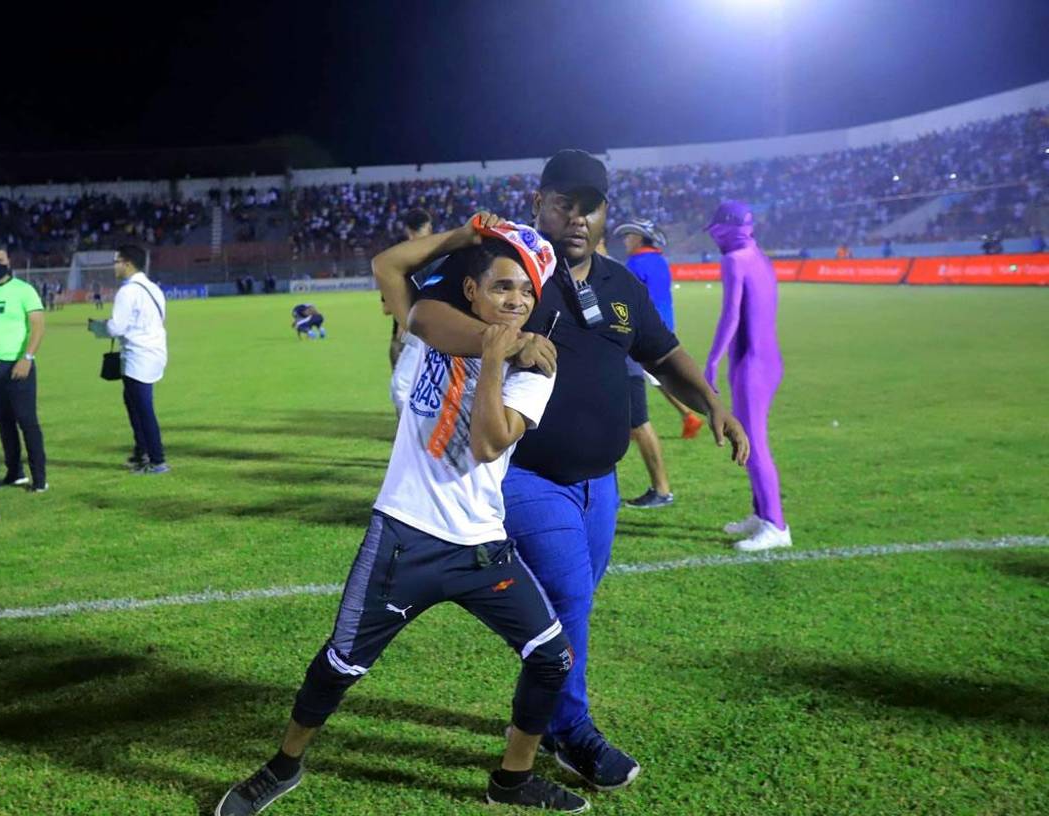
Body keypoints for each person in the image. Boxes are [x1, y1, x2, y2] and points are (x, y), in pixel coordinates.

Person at [217, 221, 591, 815]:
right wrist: (459, 236)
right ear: (471, 290)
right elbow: (389, 268)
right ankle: (283, 766)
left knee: (552, 659)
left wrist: (499, 357)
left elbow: (489, 445)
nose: (516, 300)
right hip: (403, 538)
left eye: (525, 291)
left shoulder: (537, 364)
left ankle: (511, 783)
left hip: (480, 546)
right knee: (340, 664)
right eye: (501, 287)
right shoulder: (432, 330)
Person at [406, 150, 749, 791]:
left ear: (604, 213)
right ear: (538, 204)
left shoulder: (620, 283)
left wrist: (713, 403)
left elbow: (662, 350)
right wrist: (498, 340)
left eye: (589, 206)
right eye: (562, 202)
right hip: (528, 475)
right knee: (568, 604)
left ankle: (535, 725)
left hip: (602, 484)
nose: (575, 217)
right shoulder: (511, 271)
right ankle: (573, 735)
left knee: (564, 616)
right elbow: (424, 314)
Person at [703, 201, 790, 551]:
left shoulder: (733, 260)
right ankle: (761, 512)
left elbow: (731, 317)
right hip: (768, 361)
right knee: (754, 442)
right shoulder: (758, 255)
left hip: (750, 365)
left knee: (754, 446)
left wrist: (711, 361)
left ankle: (776, 525)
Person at [613, 220, 703, 511]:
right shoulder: (659, 262)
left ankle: (660, 489)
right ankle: (690, 413)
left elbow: (623, 304)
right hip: (662, 336)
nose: (626, 240)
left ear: (640, 238)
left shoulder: (635, 264)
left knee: (637, 420)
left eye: (629, 236)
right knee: (634, 411)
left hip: (638, 342)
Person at [89, 245, 169, 474]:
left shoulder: (127, 291)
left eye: (116, 261)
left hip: (138, 354)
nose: (114, 266)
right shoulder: (152, 288)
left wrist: (99, 327)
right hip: (154, 351)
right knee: (134, 403)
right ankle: (142, 452)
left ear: (127, 263)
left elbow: (116, 327)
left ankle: (157, 460)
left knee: (142, 408)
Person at [0, 240, 48, 492]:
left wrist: (26, 358)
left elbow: (38, 326)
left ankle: (39, 479)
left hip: (19, 365)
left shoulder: (23, 290)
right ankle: (14, 472)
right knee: (4, 422)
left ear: (8, 261)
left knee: (27, 421)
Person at [375, 208, 434, 414]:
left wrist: (404, 315)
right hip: (431, 330)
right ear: (428, 227)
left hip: (408, 333)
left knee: (402, 387)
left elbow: (386, 307)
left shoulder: (397, 259)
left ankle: (409, 435)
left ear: (407, 229)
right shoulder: (439, 254)